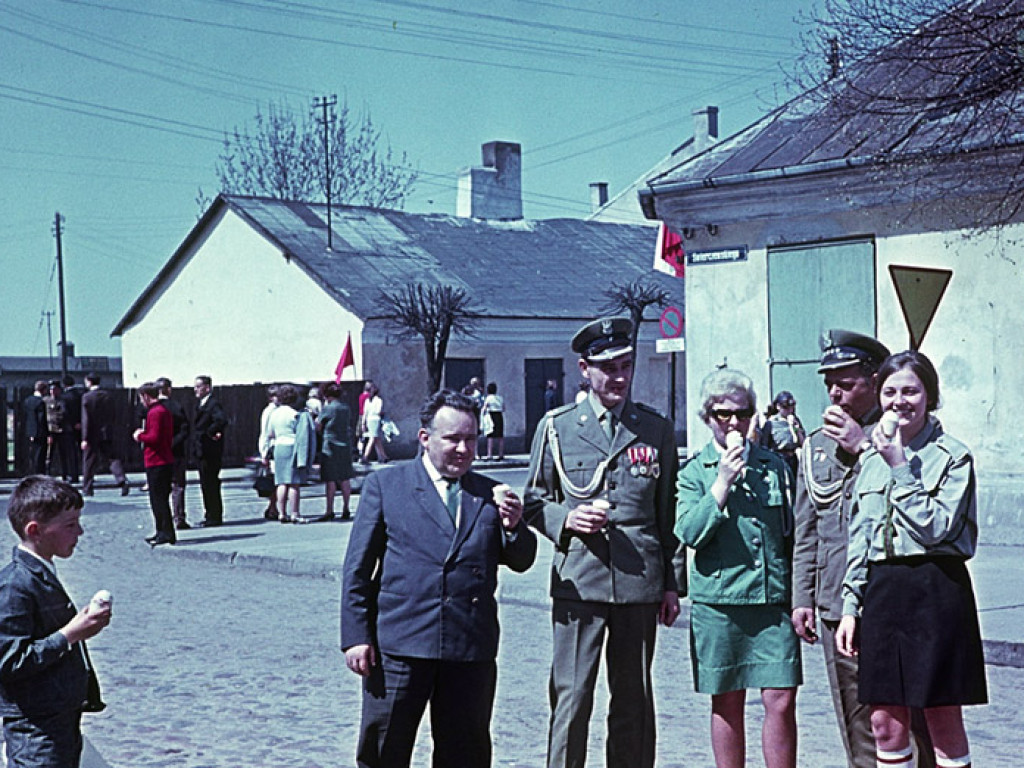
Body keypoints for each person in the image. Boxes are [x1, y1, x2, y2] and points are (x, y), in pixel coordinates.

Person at [342, 389, 537, 768]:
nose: (464, 449)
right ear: (425, 438)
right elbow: (358, 570)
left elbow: (521, 560)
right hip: (401, 645)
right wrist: (356, 638)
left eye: (471, 438)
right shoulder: (388, 487)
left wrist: (514, 526)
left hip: (469, 647)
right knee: (384, 750)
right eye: (453, 439)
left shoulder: (488, 492)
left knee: (465, 753)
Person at [524, 316, 685, 768]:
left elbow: (667, 512)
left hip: (640, 583)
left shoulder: (654, 429)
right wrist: (567, 518)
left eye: (626, 365)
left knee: (634, 697)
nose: (618, 377)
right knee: (572, 696)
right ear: (584, 369)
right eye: (607, 367)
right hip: (580, 581)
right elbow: (534, 500)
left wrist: (672, 584)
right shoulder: (557, 427)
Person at [790, 330, 934, 768]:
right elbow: (807, 526)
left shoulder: (904, 435)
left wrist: (863, 447)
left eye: (847, 381)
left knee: (912, 721)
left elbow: (905, 506)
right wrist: (802, 597)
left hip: (896, 597)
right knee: (857, 720)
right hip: (838, 601)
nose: (835, 391)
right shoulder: (815, 445)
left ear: (874, 382)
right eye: (829, 381)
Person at [836, 351, 987, 768]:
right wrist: (851, 607)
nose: (899, 401)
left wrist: (900, 466)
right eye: (889, 391)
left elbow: (936, 528)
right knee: (884, 722)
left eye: (910, 391)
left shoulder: (952, 456)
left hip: (935, 589)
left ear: (930, 396)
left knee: (942, 719)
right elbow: (860, 539)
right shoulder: (869, 459)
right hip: (884, 593)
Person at [675, 368, 801, 768]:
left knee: (781, 698)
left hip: (770, 597)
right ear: (706, 417)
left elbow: (792, 534)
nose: (733, 423)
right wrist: (722, 484)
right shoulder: (695, 471)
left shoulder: (774, 466)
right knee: (727, 699)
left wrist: (802, 596)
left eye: (742, 413)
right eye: (722, 414)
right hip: (721, 602)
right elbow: (689, 532)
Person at [0, 476, 109, 768]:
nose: (80, 531)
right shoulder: (15, 584)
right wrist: (71, 634)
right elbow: (8, 661)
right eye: (70, 525)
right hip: (36, 731)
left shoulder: (40, 572)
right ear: (35, 530)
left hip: (59, 722)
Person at [264, 384, 317, 524]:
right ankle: (295, 513)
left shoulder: (274, 413)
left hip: (279, 446)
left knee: (281, 482)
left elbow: (270, 433)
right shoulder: (295, 414)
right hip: (292, 446)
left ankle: (282, 513)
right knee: (294, 483)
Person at [133, 382, 176, 547]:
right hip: (163, 459)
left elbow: (154, 438)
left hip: (157, 460)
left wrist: (140, 436)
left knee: (158, 499)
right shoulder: (162, 411)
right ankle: (162, 531)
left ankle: (165, 532)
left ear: (145, 396)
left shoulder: (155, 412)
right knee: (160, 499)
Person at [80, 373, 129, 497]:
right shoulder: (108, 396)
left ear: (89, 382)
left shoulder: (87, 397)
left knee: (89, 461)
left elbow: (86, 419)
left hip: (92, 433)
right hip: (106, 432)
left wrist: (85, 437)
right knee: (112, 458)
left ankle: (87, 487)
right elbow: (113, 414)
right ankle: (121, 479)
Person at [156, 377, 192, 530]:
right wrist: (174, 442)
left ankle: (164, 521)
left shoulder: (153, 408)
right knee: (178, 485)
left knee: (161, 487)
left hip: (158, 452)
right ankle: (179, 517)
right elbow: (185, 428)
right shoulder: (176, 406)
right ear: (169, 389)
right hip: (176, 451)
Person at [193, 375, 229, 528]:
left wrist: (209, 433)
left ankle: (214, 516)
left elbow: (221, 420)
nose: (195, 390)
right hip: (202, 449)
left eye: (198, 386)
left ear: (207, 387)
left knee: (210, 483)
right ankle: (210, 514)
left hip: (209, 449)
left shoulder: (213, 404)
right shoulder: (201, 403)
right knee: (205, 483)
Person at [317, 383, 354, 521]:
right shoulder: (345, 408)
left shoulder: (327, 409)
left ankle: (329, 509)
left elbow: (318, 426)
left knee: (330, 479)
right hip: (345, 444)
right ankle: (346, 507)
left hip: (330, 445)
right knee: (345, 477)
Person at [759, 390, 806, 475]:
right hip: (779, 456)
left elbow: (802, 442)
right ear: (778, 406)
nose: (789, 410)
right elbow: (764, 444)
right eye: (786, 407)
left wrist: (797, 429)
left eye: (791, 407)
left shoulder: (796, 420)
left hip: (793, 457)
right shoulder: (771, 423)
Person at [258, 384, 280, 520]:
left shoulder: (278, 410)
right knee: (273, 481)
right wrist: (264, 452)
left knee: (276, 480)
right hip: (271, 447)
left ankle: (273, 506)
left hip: (276, 446)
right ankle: (272, 507)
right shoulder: (269, 411)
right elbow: (265, 432)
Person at [44, 381, 71, 482]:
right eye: (51, 389)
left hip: (61, 430)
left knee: (63, 453)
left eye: (55, 389)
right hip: (50, 430)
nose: (53, 392)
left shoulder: (62, 401)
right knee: (48, 454)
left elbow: (63, 413)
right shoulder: (46, 401)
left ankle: (65, 473)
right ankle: (47, 473)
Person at [60, 375, 84, 483]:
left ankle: (74, 475)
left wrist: (72, 423)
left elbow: (65, 412)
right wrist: (79, 422)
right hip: (81, 425)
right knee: (82, 451)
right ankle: (86, 474)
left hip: (69, 428)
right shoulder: (80, 395)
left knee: (71, 453)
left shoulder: (64, 397)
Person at [22, 380, 49, 475]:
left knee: (32, 454)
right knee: (40, 455)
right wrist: (47, 432)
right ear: (44, 390)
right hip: (40, 432)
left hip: (30, 431)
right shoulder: (40, 402)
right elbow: (41, 419)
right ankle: (39, 473)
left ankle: (31, 471)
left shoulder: (27, 401)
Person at [360, 383, 389, 465]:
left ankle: (384, 456)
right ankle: (365, 457)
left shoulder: (367, 401)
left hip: (369, 420)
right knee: (373, 438)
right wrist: (383, 413)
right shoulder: (379, 400)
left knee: (377, 439)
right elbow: (378, 411)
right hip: (376, 420)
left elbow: (365, 413)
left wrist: (363, 423)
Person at [481, 381, 505, 461]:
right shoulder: (500, 398)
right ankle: (500, 454)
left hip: (491, 415)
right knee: (500, 435)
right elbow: (504, 408)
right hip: (499, 415)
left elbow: (484, 408)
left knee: (490, 435)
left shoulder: (488, 398)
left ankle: (489, 454)